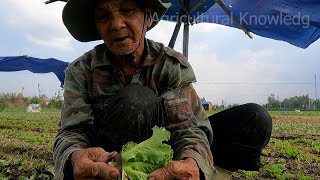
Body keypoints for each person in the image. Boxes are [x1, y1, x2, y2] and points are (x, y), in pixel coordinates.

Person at [53, 0, 272, 179]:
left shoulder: (171, 65)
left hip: (166, 152)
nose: (116, 24)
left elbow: (189, 128)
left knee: (253, 118)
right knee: (137, 100)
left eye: (127, 11)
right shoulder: (82, 70)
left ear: (147, 17)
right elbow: (72, 132)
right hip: (111, 162)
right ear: (96, 25)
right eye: (103, 16)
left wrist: (192, 160)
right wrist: (76, 156)